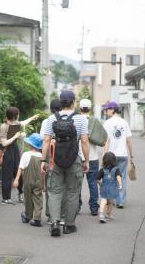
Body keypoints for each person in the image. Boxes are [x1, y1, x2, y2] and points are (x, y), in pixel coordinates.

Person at [41, 90, 90, 237]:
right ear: (74, 102)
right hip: (74, 159)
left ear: (61, 102)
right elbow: (85, 141)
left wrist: (43, 160)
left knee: (55, 191)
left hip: (56, 159)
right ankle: (69, 225)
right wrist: (86, 161)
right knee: (73, 192)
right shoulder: (81, 119)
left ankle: (55, 222)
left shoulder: (52, 118)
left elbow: (46, 141)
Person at [0, 107, 39, 205]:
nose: (18, 115)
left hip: (14, 149)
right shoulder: (4, 126)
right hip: (6, 150)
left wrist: (32, 117)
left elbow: (23, 123)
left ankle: (21, 193)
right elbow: (4, 143)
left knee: (18, 170)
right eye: (17, 114)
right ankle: (6, 198)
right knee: (7, 174)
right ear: (14, 115)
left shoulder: (16, 123)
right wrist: (16, 137)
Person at [103, 101, 133, 209]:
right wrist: (131, 155)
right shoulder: (124, 122)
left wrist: (104, 156)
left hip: (111, 156)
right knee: (122, 177)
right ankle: (121, 201)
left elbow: (107, 141)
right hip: (123, 155)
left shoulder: (107, 123)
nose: (105, 111)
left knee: (110, 177)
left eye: (107, 109)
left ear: (113, 110)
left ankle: (111, 200)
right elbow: (129, 141)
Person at [13, 133, 44, 227]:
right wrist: (45, 185)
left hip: (28, 181)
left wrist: (16, 180)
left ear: (30, 144)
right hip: (39, 181)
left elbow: (20, 168)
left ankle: (28, 216)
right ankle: (37, 219)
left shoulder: (26, 155)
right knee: (38, 199)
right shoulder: (42, 156)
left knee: (28, 198)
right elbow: (44, 172)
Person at [39, 99, 62, 223]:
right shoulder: (66, 118)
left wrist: (43, 160)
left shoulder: (46, 121)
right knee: (63, 184)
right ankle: (61, 215)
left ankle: (50, 214)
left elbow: (44, 140)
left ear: (50, 109)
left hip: (50, 155)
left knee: (50, 185)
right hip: (64, 154)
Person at [79, 99, 102, 216]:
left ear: (80, 108)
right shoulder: (95, 121)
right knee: (93, 183)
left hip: (78, 156)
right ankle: (94, 208)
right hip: (92, 157)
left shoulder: (76, 120)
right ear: (90, 108)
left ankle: (77, 207)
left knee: (77, 183)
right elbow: (102, 138)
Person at [97, 152, 123, 223]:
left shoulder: (102, 170)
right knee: (111, 201)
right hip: (112, 188)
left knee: (103, 200)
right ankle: (109, 214)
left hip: (104, 188)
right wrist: (120, 185)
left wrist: (101, 184)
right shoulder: (116, 169)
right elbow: (118, 177)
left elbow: (98, 179)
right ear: (114, 160)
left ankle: (101, 215)